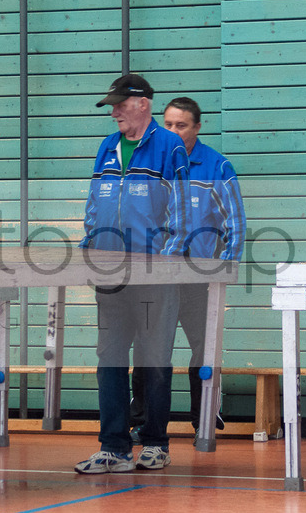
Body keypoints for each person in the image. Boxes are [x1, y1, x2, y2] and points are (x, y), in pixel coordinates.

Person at [74, 73, 189, 474]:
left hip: (154, 274)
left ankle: (156, 442)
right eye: (112, 105)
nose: (115, 111)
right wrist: (89, 247)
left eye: (121, 103)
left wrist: (166, 262)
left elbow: (181, 210)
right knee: (109, 356)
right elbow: (94, 204)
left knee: (153, 358)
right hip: (110, 273)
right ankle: (114, 447)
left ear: (143, 103)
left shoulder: (168, 146)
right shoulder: (107, 146)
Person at [128, 97, 247, 443]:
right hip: (154, 280)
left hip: (198, 281)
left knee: (203, 351)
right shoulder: (149, 164)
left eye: (181, 125)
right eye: (167, 124)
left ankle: (204, 422)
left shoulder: (216, 167)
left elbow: (235, 225)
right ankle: (143, 425)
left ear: (197, 127)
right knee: (148, 351)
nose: (173, 131)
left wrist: (225, 272)